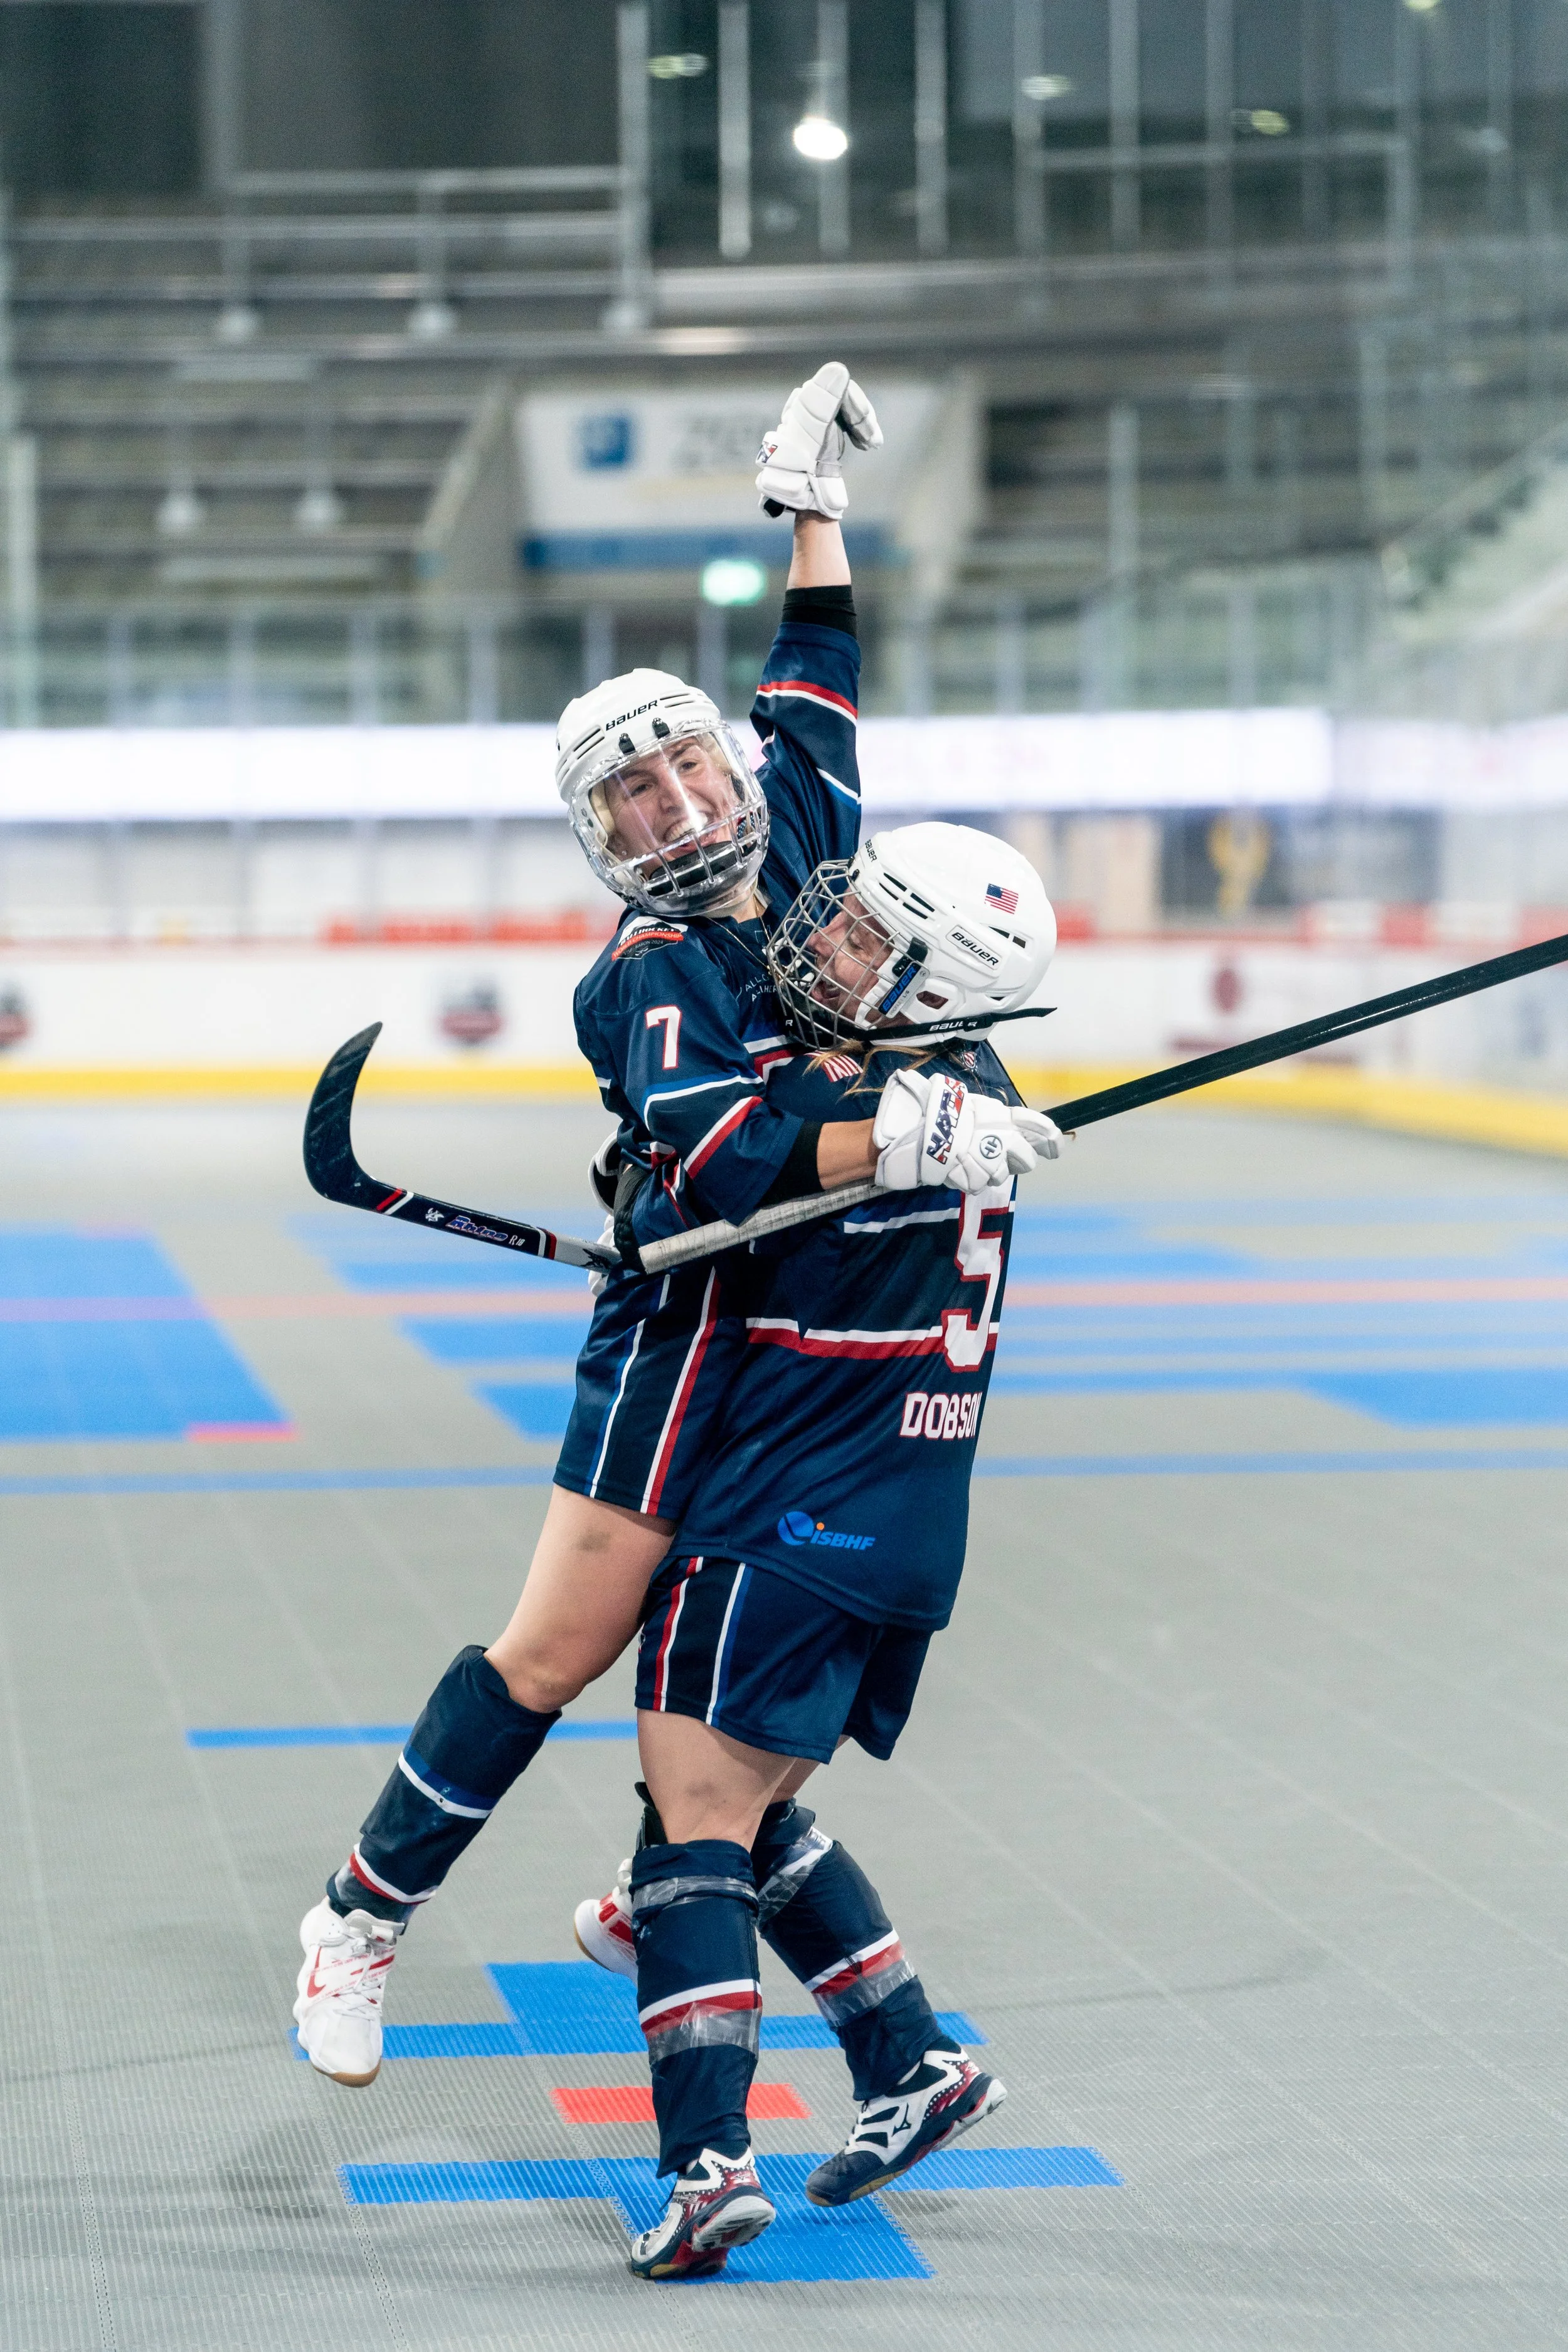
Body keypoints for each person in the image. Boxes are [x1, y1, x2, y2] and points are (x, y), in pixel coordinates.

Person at [290, 364, 1050, 2088]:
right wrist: (914, 1124)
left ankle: (679, 1898)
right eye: (629, 797)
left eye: (685, 765)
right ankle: (358, 1910)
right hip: (682, 1341)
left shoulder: (813, 822)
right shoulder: (638, 975)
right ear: (597, 833)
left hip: (796, 1366)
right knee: (558, 1650)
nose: (675, 805)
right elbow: (718, 1166)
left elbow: (820, 671)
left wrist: (806, 498)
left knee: (715, 1704)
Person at [569, 821, 1062, 2279]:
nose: (824, 942)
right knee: (736, 1806)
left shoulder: (876, 1103)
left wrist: (657, 1200)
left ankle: (704, 2166)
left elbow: (748, 1166)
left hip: (798, 1504)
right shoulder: (958, 1087)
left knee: (691, 1836)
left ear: (927, 988)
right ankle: (914, 2063)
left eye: (863, 941)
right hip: (903, 1518)